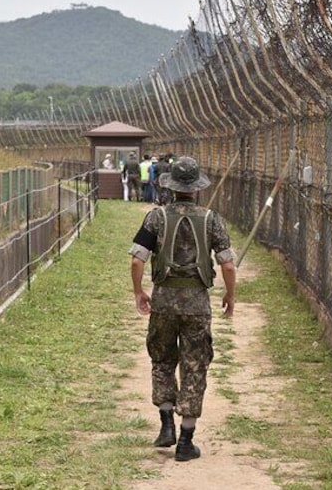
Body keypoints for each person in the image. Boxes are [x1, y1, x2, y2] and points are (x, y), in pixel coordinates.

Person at [128, 156, 236, 462]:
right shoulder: (212, 219)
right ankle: (186, 440)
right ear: (197, 188)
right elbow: (227, 264)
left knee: (162, 358)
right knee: (195, 364)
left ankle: (165, 424)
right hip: (197, 304)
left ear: (171, 187)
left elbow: (137, 259)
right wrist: (230, 294)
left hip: (163, 299)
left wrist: (139, 292)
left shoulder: (156, 217)